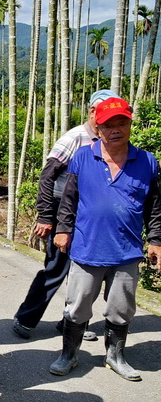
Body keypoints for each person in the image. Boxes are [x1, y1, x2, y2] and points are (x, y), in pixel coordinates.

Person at [50, 96, 161, 381]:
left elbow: (155, 206)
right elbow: (68, 199)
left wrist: (156, 239)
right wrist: (63, 228)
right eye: (108, 124)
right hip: (88, 248)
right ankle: (69, 354)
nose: (116, 129)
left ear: (130, 124)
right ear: (97, 128)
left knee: (121, 309)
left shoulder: (147, 161)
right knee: (77, 307)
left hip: (127, 251)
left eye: (121, 122)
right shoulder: (83, 157)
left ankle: (115, 356)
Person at [12, 89, 115, 340]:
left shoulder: (107, 142)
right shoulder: (75, 138)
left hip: (88, 214)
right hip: (63, 210)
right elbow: (48, 176)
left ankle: (72, 321)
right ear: (92, 111)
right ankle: (25, 319)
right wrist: (46, 217)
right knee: (56, 268)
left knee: (86, 270)